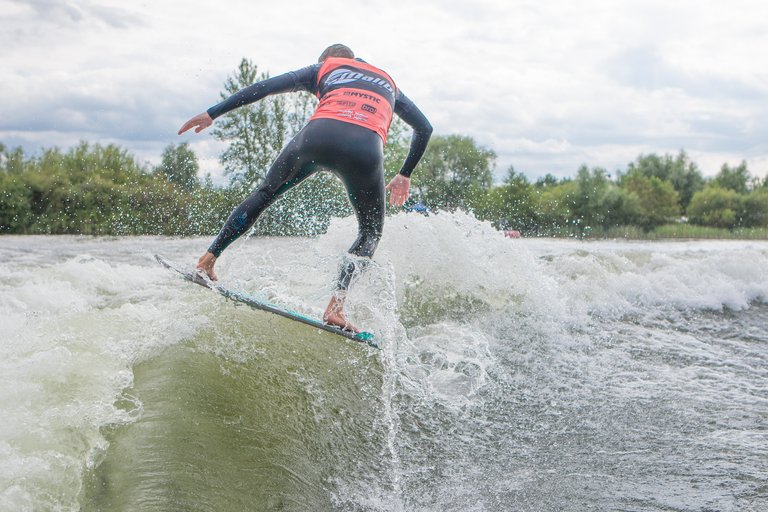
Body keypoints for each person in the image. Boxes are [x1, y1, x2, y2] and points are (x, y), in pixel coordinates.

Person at [178, 44, 432, 332]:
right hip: (365, 148)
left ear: (328, 59)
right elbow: (425, 128)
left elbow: (264, 87)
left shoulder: (322, 68)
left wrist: (213, 112)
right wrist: (405, 173)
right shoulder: (388, 82)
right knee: (371, 232)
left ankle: (207, 261)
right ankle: (336, 308)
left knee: (264, 194)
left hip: (318, 136)